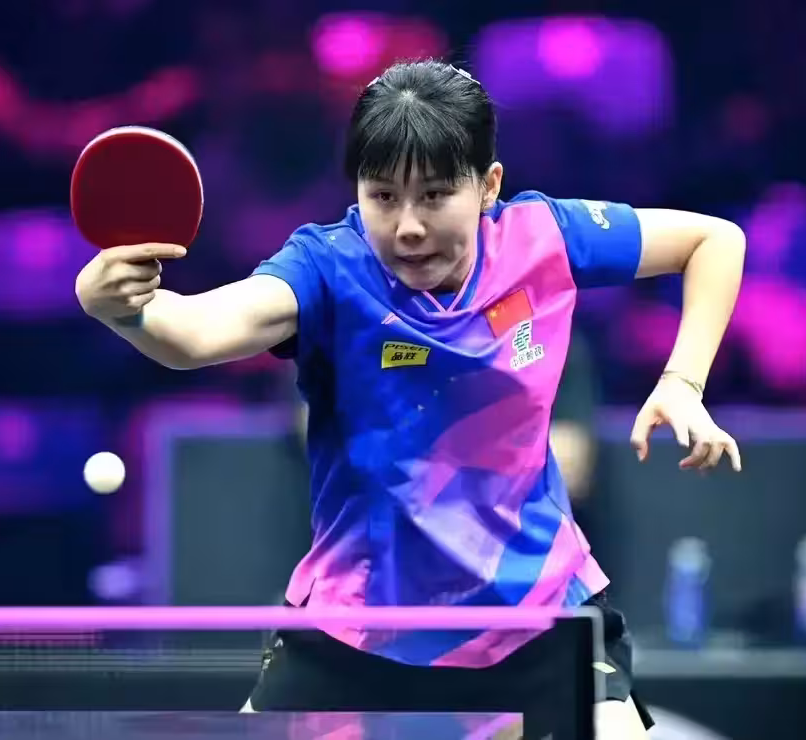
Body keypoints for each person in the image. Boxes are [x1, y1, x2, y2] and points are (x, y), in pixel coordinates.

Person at [75, 60, 745, 740]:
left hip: (536, 609)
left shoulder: (543, 238)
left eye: (434, 195)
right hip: (363, 619)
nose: (408, 226)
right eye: (384, 196)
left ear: (487, 186)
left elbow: (714, 241)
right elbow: (196, 334)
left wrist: (683, 382)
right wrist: (123, 310)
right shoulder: (328, 269)